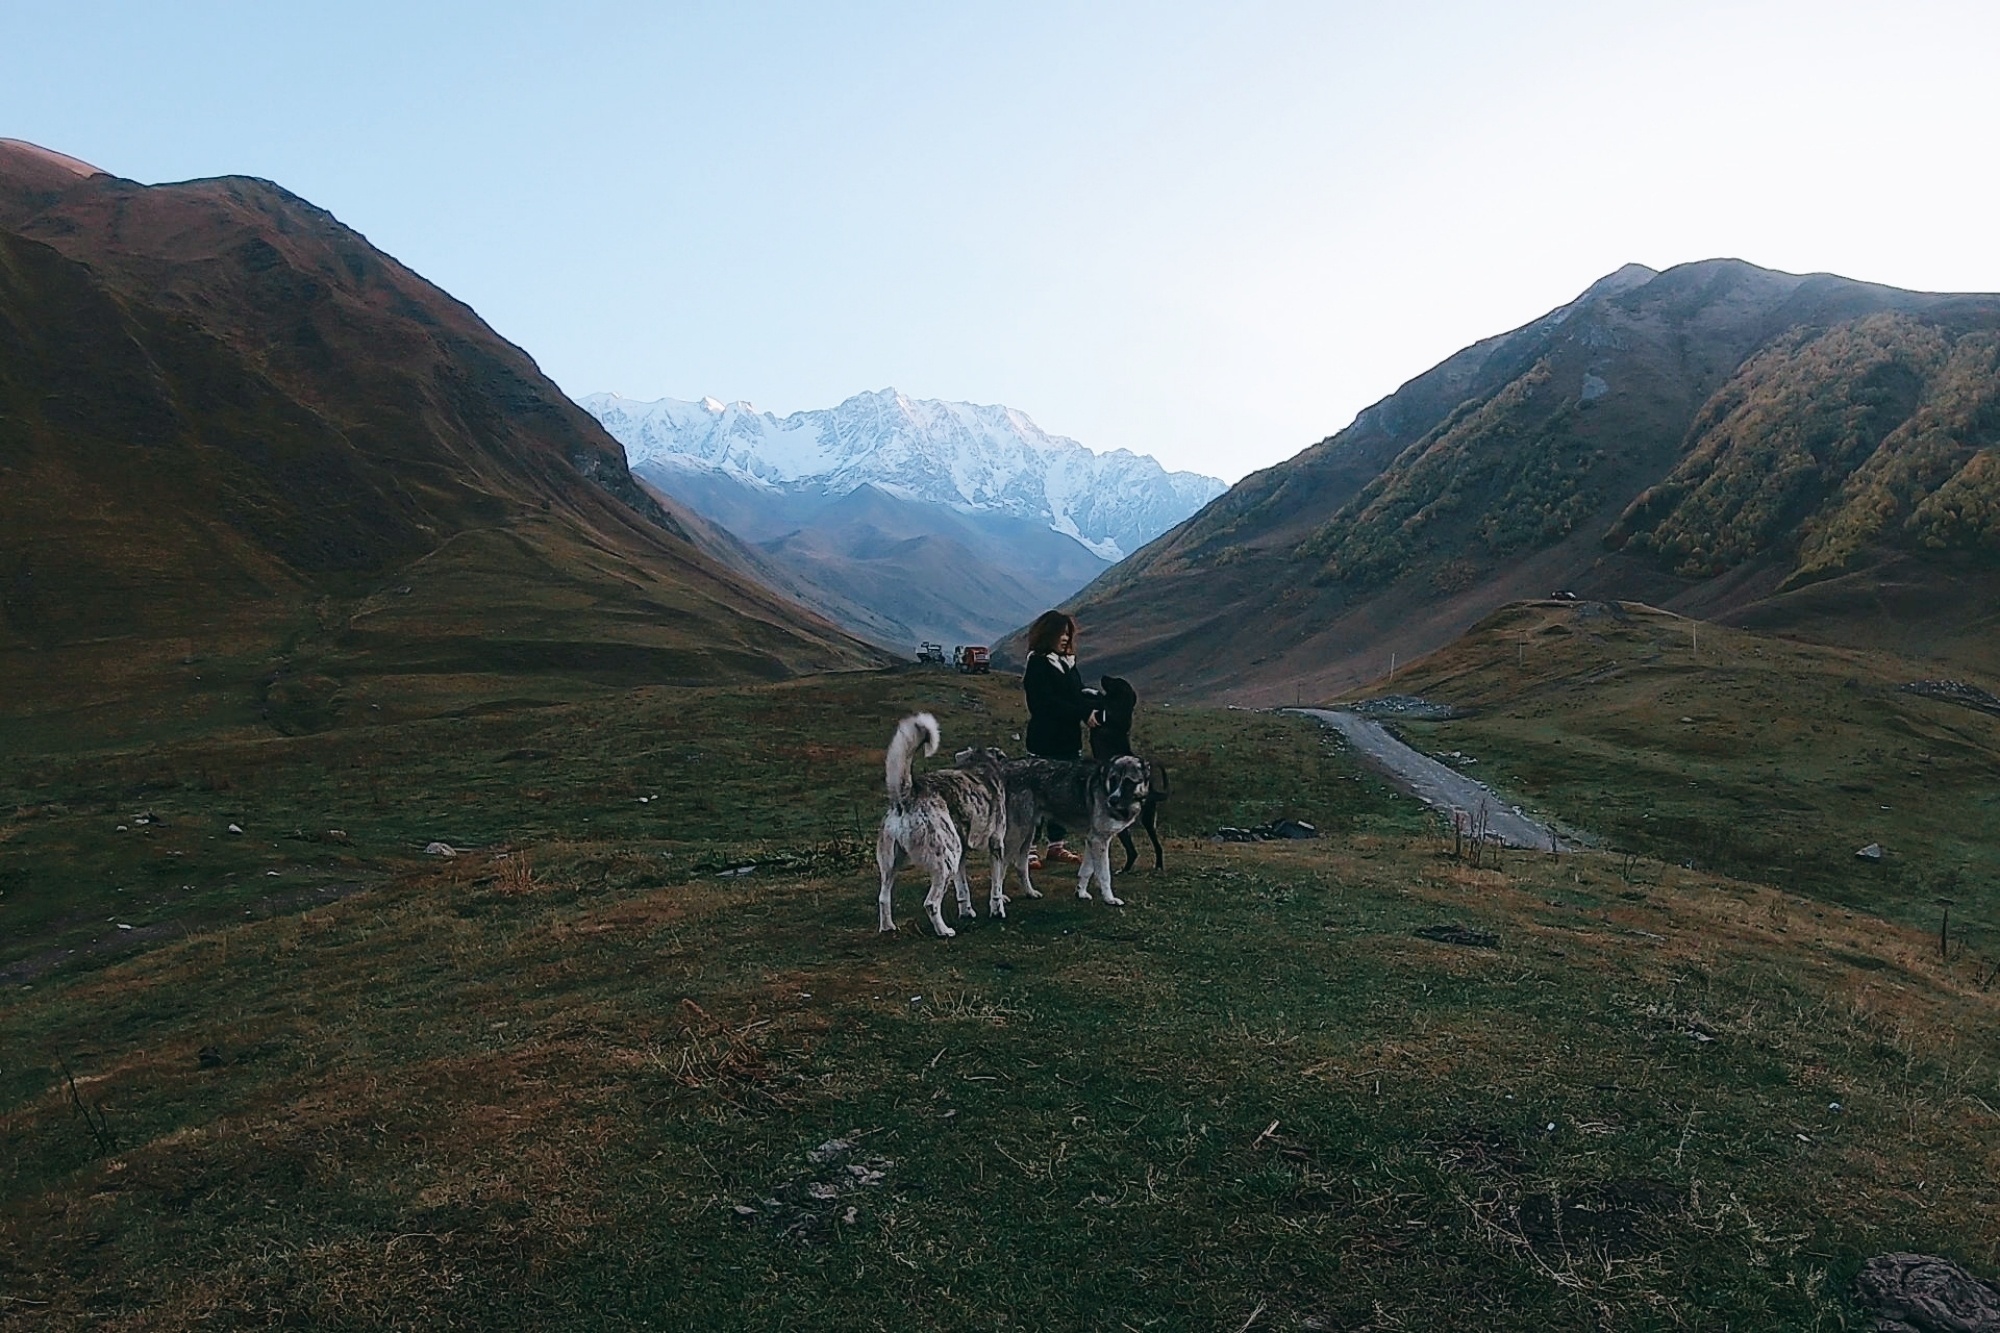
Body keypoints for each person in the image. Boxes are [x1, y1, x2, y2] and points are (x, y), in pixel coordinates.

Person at [1021, 609, 1100, 866]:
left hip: (1068, 740)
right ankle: (1029, 848)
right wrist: (1080, 711)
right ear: (1048, 634)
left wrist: (1093, 702)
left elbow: (1075, 694)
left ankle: (1057, 846)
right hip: (1045, 740)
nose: (1065, 638)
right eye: (1061, 633)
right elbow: (1045, 704)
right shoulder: (1037, 664)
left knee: (1062, 795)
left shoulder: (1067, 664)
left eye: (1068, 634)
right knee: (1037, 796)